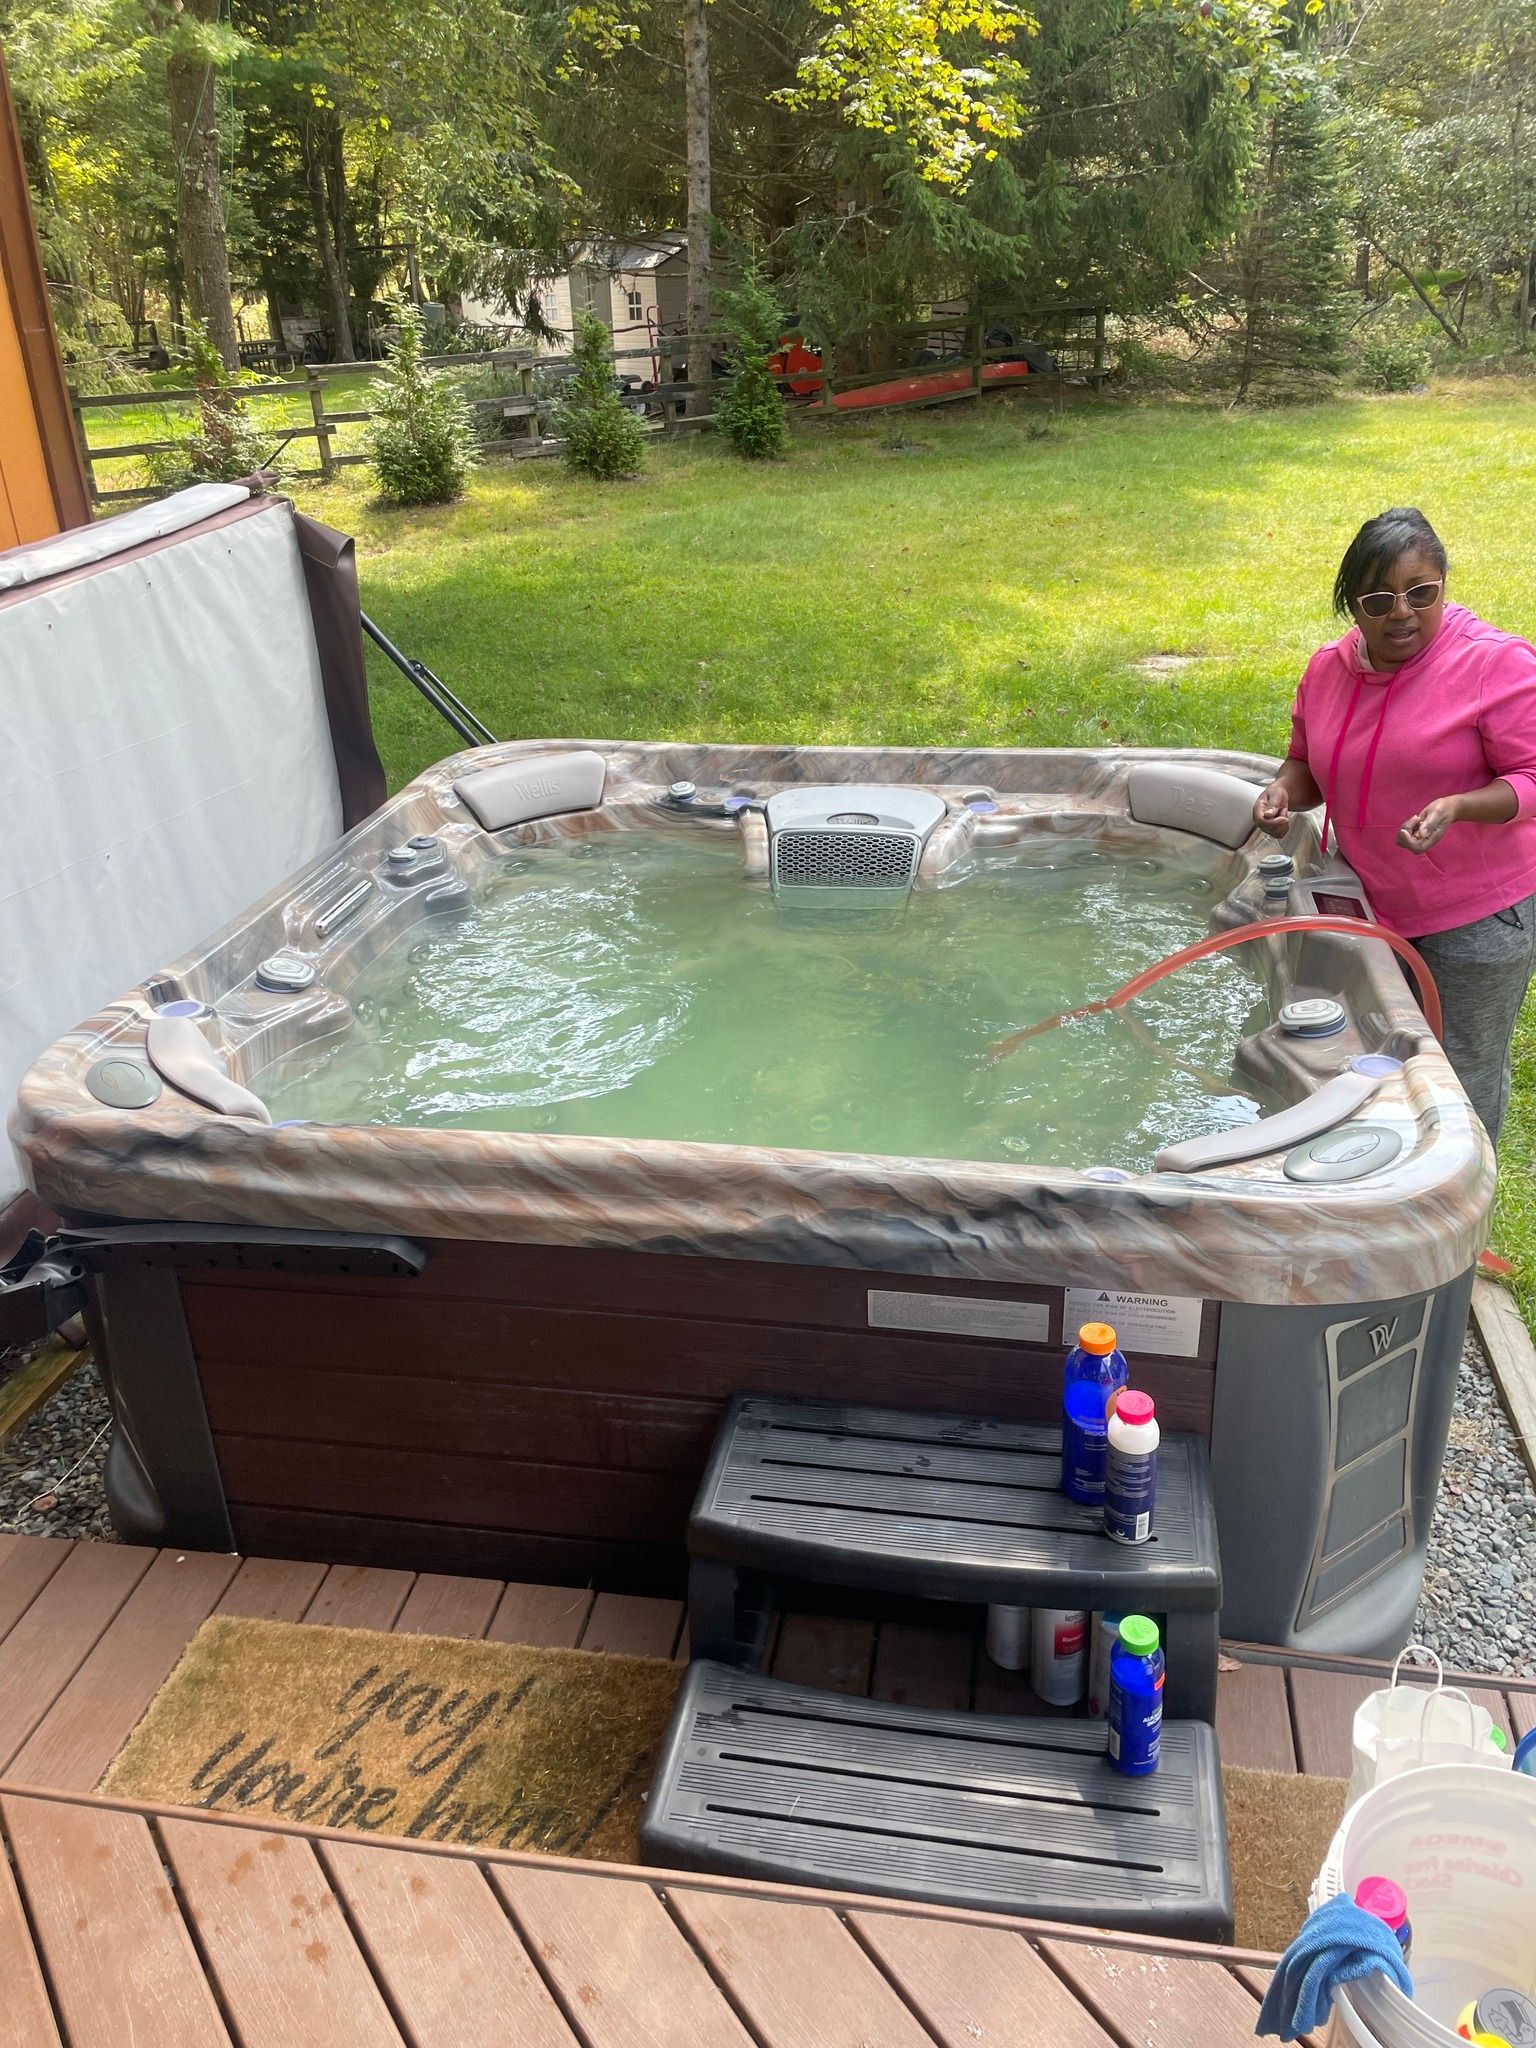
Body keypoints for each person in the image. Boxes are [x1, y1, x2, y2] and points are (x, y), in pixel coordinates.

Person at [1253, 507, 1536, 1144]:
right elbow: (1308, 764)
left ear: (1443, 585)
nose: (1402, 612)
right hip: (1369, 905)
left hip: (1478, 916)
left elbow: (1533, 775)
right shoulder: (1328, 668)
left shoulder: (1495, 664)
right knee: (1374, 1059)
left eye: (1421, 593)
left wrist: (1460, 805)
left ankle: (1453, 1217)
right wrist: (1282, 791)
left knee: (1458, 1071)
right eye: (1379, 599)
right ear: (1352, 604)